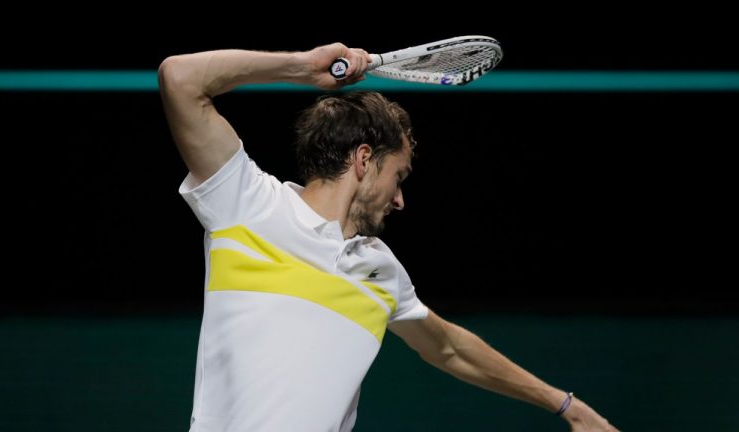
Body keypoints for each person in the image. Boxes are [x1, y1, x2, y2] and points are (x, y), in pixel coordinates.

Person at [158, 43, 619, 432]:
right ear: (363, 160)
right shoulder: (249, 204)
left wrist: (568, 407)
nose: (400, 201)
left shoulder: (381, 270)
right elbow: (180, 77)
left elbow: (451, 348)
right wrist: (301, 67)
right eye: (399, 177)